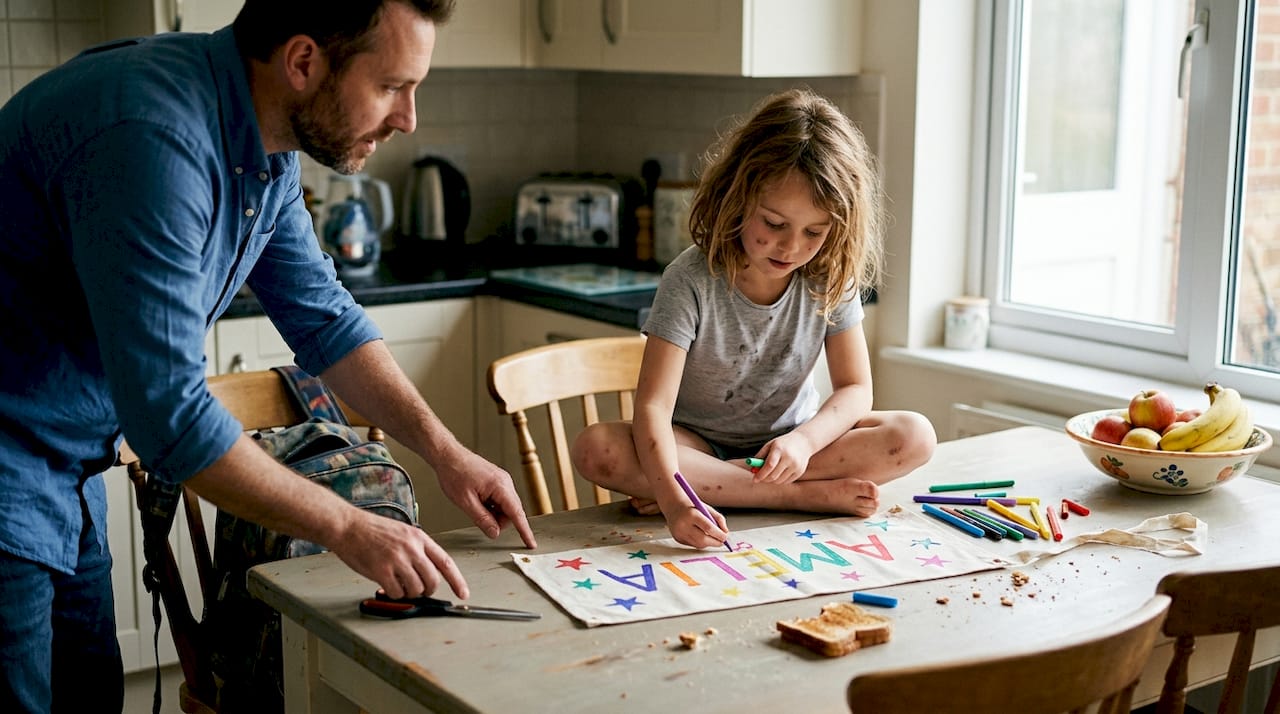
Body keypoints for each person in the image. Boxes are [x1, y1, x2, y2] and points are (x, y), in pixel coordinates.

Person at [0, 1, 537, 711]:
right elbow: (170, 419)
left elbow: (325, 321)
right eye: (391, 87)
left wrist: (445, 451)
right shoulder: (153, 137)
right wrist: (348, 525)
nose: (409, 118)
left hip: (60, 462)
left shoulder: (262, 144)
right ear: (305, 62)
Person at [572, 88, 937, 550]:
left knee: (915, 436)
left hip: (796, 446)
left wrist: (803, 444)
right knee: (596, 448)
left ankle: (728, 488)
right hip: (698, 445)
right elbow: (653, 409)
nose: (791, 247)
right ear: (738, 198)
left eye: (814, 232)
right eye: (774, 224)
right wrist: (673, 500)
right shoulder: (689, 279)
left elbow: (855, 389)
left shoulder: (829, 274)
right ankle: (799, 499)